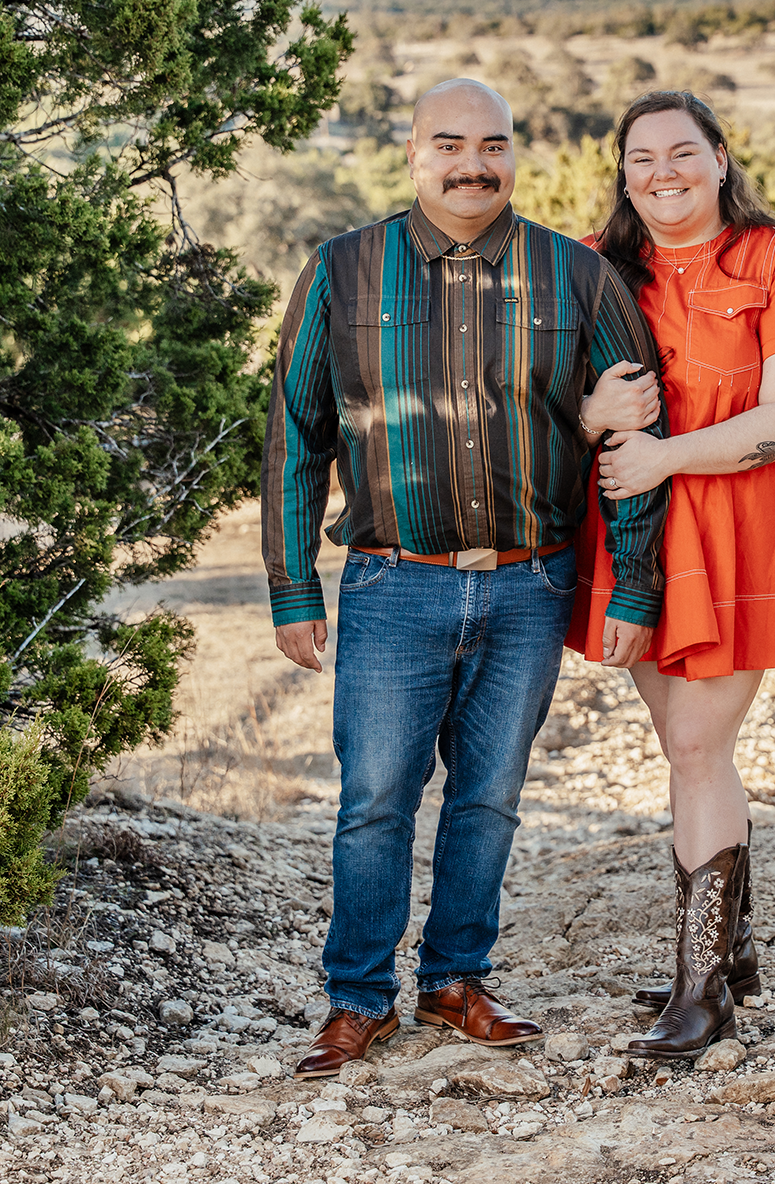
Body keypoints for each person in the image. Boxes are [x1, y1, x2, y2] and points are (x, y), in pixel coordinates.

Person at [264, 78, 669, 1078]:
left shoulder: (576, 277)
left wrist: (634, 584)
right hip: (391, 584)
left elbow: (634, 431)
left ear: (515, 155)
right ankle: (358, 999)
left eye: (493, 144)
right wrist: (290, 583)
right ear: (412, 153)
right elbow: (292, 435)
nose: (472, 164)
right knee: (374, 800)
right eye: (448, 143)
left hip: (530, 587)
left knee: (488, 796)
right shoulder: (341, 272)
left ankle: (454, 980)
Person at [566, 89, 775, 1060]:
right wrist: (593, 420)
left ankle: (702, 992)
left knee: (694, 743)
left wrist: (664, 456)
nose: (662, 173)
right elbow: (551, 402)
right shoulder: (600, 271)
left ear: (720, 159)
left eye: (681, 153)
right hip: (637, 537)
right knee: (687, 748)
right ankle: (725, 955)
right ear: (622, 173)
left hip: (743, 532)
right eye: (640, 158)